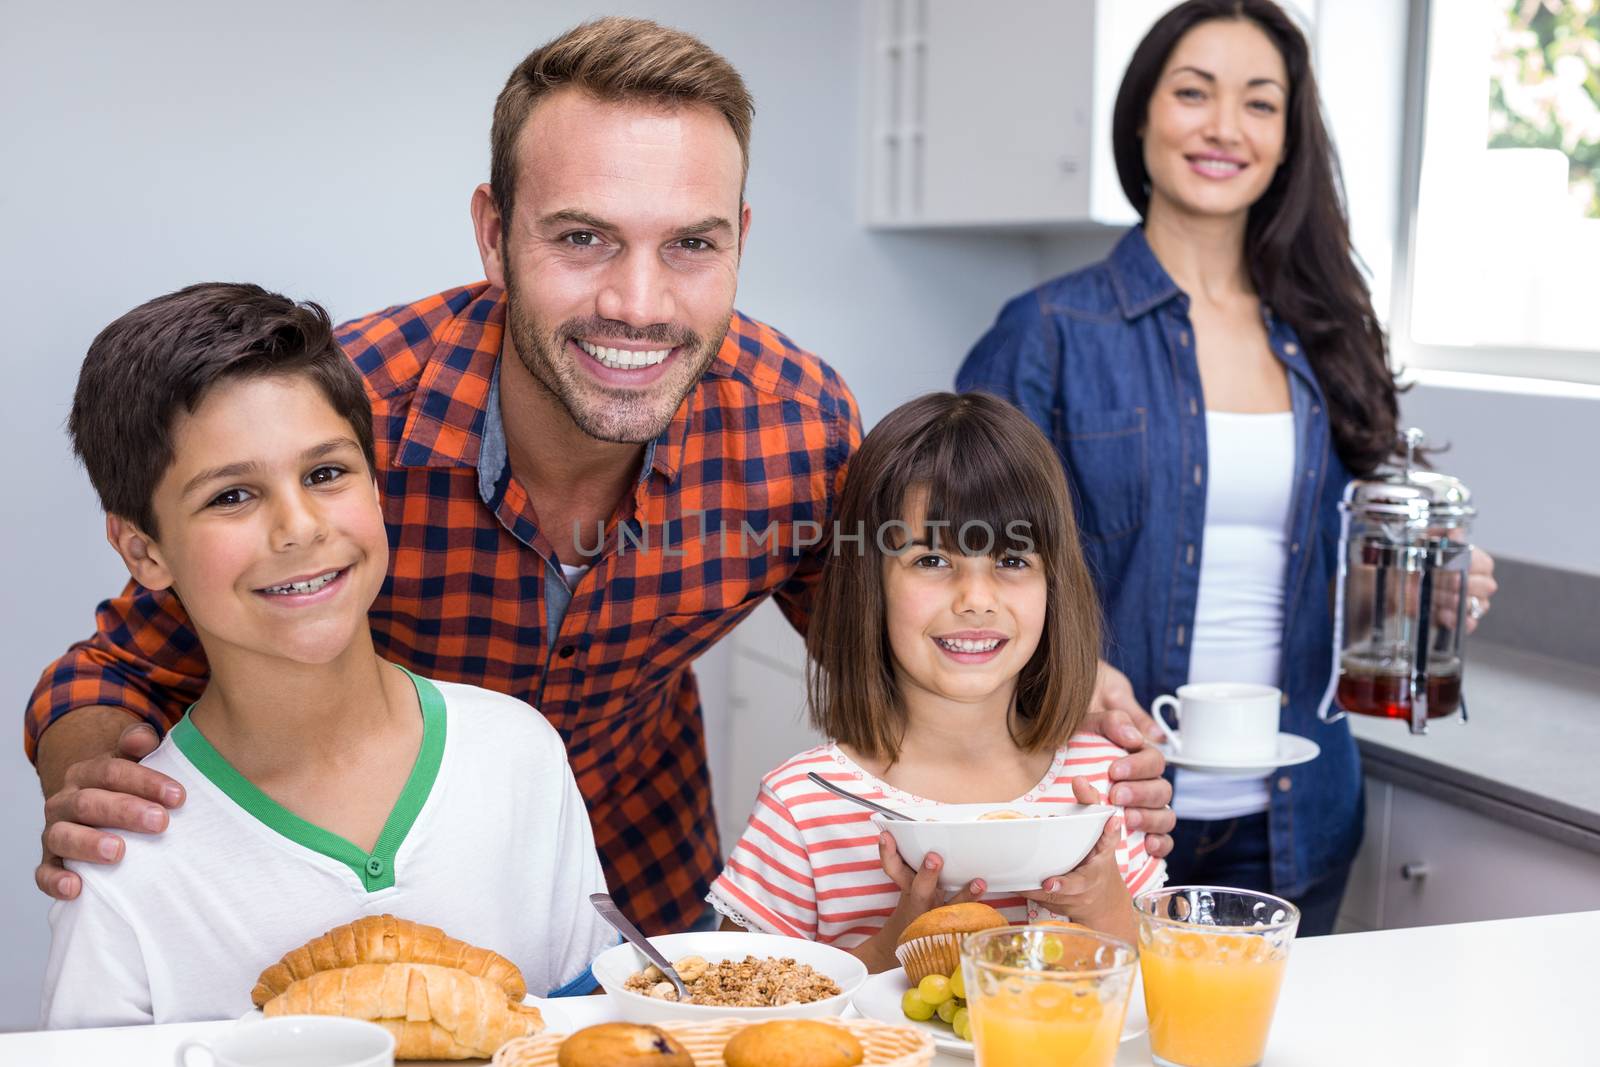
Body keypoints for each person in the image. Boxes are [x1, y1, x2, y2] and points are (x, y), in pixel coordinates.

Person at [27, 17, 1177, 936]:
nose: (638, 302)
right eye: (582, 239)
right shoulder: (345, 422)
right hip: (368, 885)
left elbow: (897, 623)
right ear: (494, 233)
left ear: (740, 237)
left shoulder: (794, 425)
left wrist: (1067, 699)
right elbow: (122, 662)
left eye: (690, 242)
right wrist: (89, 765)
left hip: (643, 883)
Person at [955, 0, 1497, 936]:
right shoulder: (1046, 333)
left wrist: (1427, 592)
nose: (1222, 127)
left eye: (1259, 103)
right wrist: (1060, 662)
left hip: (1299, 819)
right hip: (1093, 816)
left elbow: (1348, 563)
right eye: (1193, 93)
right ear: (1140, 116)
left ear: (1288, 139)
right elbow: (954, 555)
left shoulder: (1327, 340)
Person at [39, 283, 614, 1028]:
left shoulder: (520, 756)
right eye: (231, 496)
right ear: (143, 550)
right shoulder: (122, 862)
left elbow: (592, 1033)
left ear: (377, 487)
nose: (298, 527)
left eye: (325, 473)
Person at [709, 393, 1166, 968]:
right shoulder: (805, 806)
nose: (976, 600)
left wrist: (1104, 908)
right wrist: (888, 949)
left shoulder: (1099, 783)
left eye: (1013, 560)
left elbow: (1165, 988)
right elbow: (735, 1009)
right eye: (931, 560)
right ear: (868, 583)